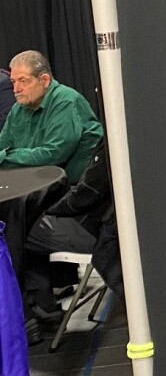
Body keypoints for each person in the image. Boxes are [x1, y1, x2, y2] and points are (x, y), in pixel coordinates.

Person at [21, 138, 121, 343]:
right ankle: (44, 305)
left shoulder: (110, 138)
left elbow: (54, 154)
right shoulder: (17, 114)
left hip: (95, 224)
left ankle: (36, 313)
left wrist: (53, 209)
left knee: (19, 230)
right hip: (101, 217)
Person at [0, 50, 103, 183]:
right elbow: (3, 143)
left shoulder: (66, 101)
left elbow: (53, 154)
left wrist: (5, 157)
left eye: (23, 81)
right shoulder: (18, 108)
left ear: (45, 80)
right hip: (38, 183)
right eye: (13, 82)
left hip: (74, 188)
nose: (16, 89)